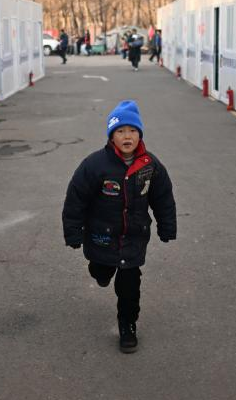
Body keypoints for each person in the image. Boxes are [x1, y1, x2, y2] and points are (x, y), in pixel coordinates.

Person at [62, 100, 177, 353]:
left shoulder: (150, 165)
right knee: (102, 270)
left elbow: (163, 198)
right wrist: (73, 231)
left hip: (134, 238)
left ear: (140, 134)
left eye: (133, 131)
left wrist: (167, 226)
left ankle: (128, 324)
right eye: (121, 131)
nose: (127, 136)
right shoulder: (94, 165)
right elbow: (76, 199)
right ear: (111, 136)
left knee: (129, 287)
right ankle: (100, 270)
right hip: (101, 236)